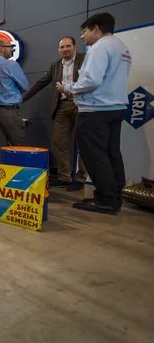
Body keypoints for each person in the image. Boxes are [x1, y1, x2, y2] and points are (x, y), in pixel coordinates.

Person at [57, 12, 131, 215]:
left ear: (96, 29)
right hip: (115, 107)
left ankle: (105, 200)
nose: (82, 37)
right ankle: (113, 195)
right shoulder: (121, 47)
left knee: (95, 156)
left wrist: (68, 88)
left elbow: (91, 80)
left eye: (84, 31)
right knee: (111, 154)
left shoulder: (99, 47)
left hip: (96, 109)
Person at [22, 37, 88, 191]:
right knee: (59, 141)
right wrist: (22, 98)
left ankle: (80, 178)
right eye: (62, 47)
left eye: (68, 46)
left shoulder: (85, 59)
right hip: (62, 106)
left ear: (75, 47)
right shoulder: (56, 65)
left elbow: (92, 80)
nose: (65, 49)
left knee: (84, 142)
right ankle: (64, 176)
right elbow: (41, 82)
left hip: (82, 104)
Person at [0, 38, 30, 162]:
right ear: (1, 48)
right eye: (10, 47)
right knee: (20, 146)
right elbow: (25, 86)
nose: (12, 49)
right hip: (9, 112)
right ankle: (20, 178)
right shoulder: (10, 64)